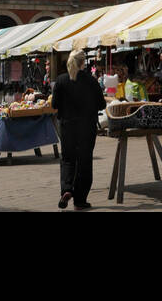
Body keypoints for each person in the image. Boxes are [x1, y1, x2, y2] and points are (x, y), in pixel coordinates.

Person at [52, 49, 105, 210]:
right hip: (86, 127)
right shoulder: (91, 81)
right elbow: (102, 104)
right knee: (84, 161)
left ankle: (67, 189)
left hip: (67, 126)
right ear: (83, 62)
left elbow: (54, 105)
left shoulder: (61, 80)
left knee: (67, 159)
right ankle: (80, 200)